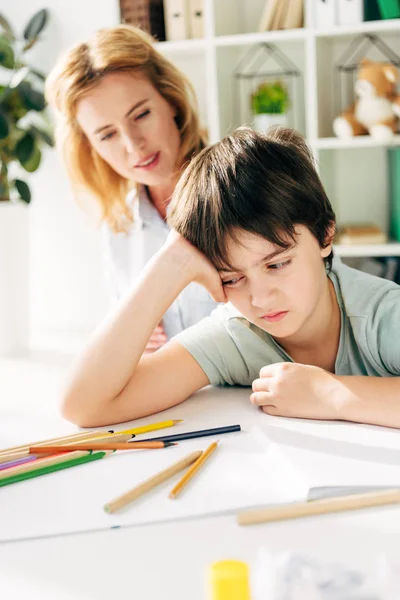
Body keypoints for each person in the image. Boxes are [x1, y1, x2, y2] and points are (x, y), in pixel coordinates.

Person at [61, 127, 400, 429]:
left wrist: (330, 394)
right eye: (233, 278)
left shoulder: (382, 314)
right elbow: (84, 405)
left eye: (277, 264)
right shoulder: (238, 334)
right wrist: (168, 265)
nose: (260, 299)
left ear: (325, 236)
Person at [45, 24, 217, 351]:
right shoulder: (119, 227)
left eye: (141, 115)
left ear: (172, 101)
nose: (133, 146)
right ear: (91, 147)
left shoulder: (245, 188)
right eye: (107, 135)